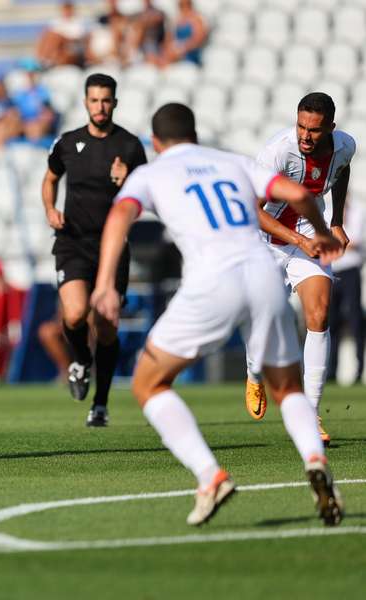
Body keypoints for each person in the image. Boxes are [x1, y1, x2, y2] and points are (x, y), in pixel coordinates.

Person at [91, 102, 344, 527]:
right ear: (194, 134)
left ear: (156, 142)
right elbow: (300, 195)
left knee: (149, 383)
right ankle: (315, 459)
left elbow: (120, 214)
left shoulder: (150, 173)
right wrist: (320, 234)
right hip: (262, 273)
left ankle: (210, 476)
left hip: (212, 281)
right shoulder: (233, 161)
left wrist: (103, 285)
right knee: (287, 387)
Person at [245, 93, 356, 446]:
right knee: (266, 318)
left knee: (319, 314)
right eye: (301, 127)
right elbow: (254, 210)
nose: (306, 136)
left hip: (309, 235)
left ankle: (310, 414)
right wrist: (296, 237)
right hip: (267, 241)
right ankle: (254, 372)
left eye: (314, 130)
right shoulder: (276, 152)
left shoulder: (345, 147)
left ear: (331, 129)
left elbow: (342, 171)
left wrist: (336, 220)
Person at [42, 73, 147, 426]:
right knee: (73, 315)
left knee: (106, 326)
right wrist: (50, 209)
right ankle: (80, 361)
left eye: (106, 100)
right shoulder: (68, 143)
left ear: (114, 102)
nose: (100, 106)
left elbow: (147, 195)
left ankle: (100, 405)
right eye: (94, 100)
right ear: (85, 102)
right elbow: (50, 178)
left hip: (112, 248)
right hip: (72, 241)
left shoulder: (130, 146)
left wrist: (126, 181)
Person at [328, 200, 364, 384]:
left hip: (351, 270)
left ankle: (359, 371)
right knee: (331, 322)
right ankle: (331, 371)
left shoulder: (359, 211)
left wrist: (335, 243)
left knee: (355, 320)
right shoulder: (326, 210)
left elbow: (356, 241)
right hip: (333, 270)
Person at [12, 58, 58, 145]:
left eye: (32, 73)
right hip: (24, 123)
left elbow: (48, 113)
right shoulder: (19, 94)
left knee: (36, 127)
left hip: (39, 124)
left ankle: (34, 149)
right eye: (28, 73)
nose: (30, 76)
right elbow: (15, 112)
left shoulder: (44, 91)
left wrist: (35, 122)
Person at [35, 1, 91, 68]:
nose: (67, 12)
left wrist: (60, 37)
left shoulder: (79, 22)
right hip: (58, 48)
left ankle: (44, 59)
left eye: (68, 10)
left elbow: (77, 39)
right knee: (47, 36)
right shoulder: (56, 21)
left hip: (72, 48)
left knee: (54, 37)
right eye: (65, 10)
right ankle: (44, 59)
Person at [155, 0, 207, 67]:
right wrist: (169, 48)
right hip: (177, 50)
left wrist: (182, 48)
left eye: (184, 5)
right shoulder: (177, 19)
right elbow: (169, 38)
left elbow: (198, 39)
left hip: (190, 52)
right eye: (181, 5)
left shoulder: (196, 19)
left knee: (168, 58)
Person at [85, 0, 128, 66]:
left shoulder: (122, 34)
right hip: (97, 63)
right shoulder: (98, 32)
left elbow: (116, 53)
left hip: (112, 64)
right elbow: (89, 54)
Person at [124, 0, 166, 65]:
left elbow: (158, 18)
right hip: (142, 44)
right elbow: (127, 20)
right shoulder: (140, 13)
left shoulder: (158, 12)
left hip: (151, 41)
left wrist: (143, 22)